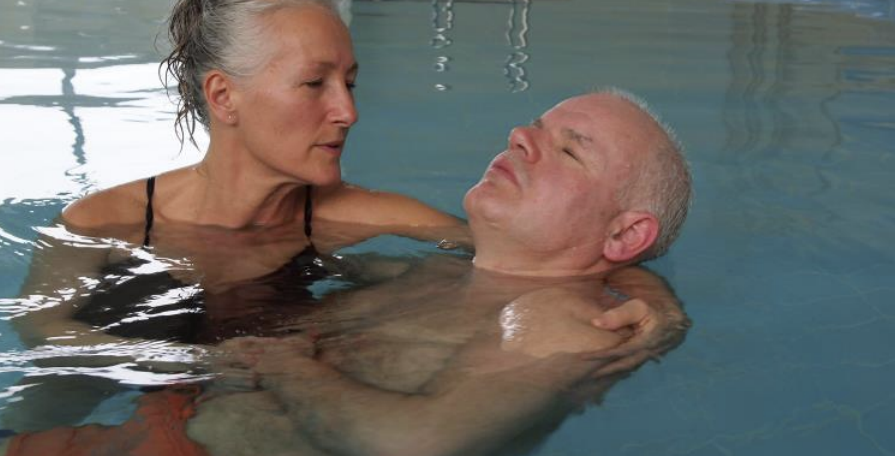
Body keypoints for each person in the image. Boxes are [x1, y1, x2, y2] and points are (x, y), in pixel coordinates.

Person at [1, 89, 693, 456]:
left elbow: (411, 442)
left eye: (568, 151)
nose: (520, 137)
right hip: (171, 424)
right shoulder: (440, 273)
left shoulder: (562, 320)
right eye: (535, 126)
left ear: (624, 233)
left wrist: (278, 363)